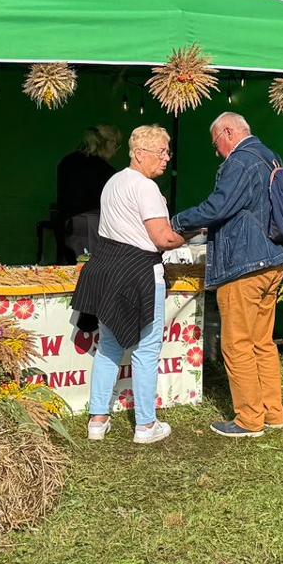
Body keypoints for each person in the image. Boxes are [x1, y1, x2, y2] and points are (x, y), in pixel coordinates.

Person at [172, 112, 283, 438]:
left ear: (228, 132)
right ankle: (273, 414)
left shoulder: (240, 161)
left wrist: (177, 222)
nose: (217, 152)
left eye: (216, 144)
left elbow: (217, 207)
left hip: (244, 265)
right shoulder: (270, 156)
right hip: (273, 261)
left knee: (237, 344)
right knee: (262, 343)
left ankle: (248, 420)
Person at [70, 125, 186, 444]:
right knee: (147, 349)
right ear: (139, 154)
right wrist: (192, 234)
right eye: (161, 152)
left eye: (167, 151)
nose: (167, 158)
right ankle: (146, 425)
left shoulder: (114, 182)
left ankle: (98, 420)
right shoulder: (145, 187)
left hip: (107, 269)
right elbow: (162, 238)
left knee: (108, 346)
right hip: (138, 273)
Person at [54, 125, 121, 261]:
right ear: (110, 143)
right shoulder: (106, 171)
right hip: (92, 228)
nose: (116, 151)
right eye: (117, 145)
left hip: (66, 225)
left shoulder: (67, 161)